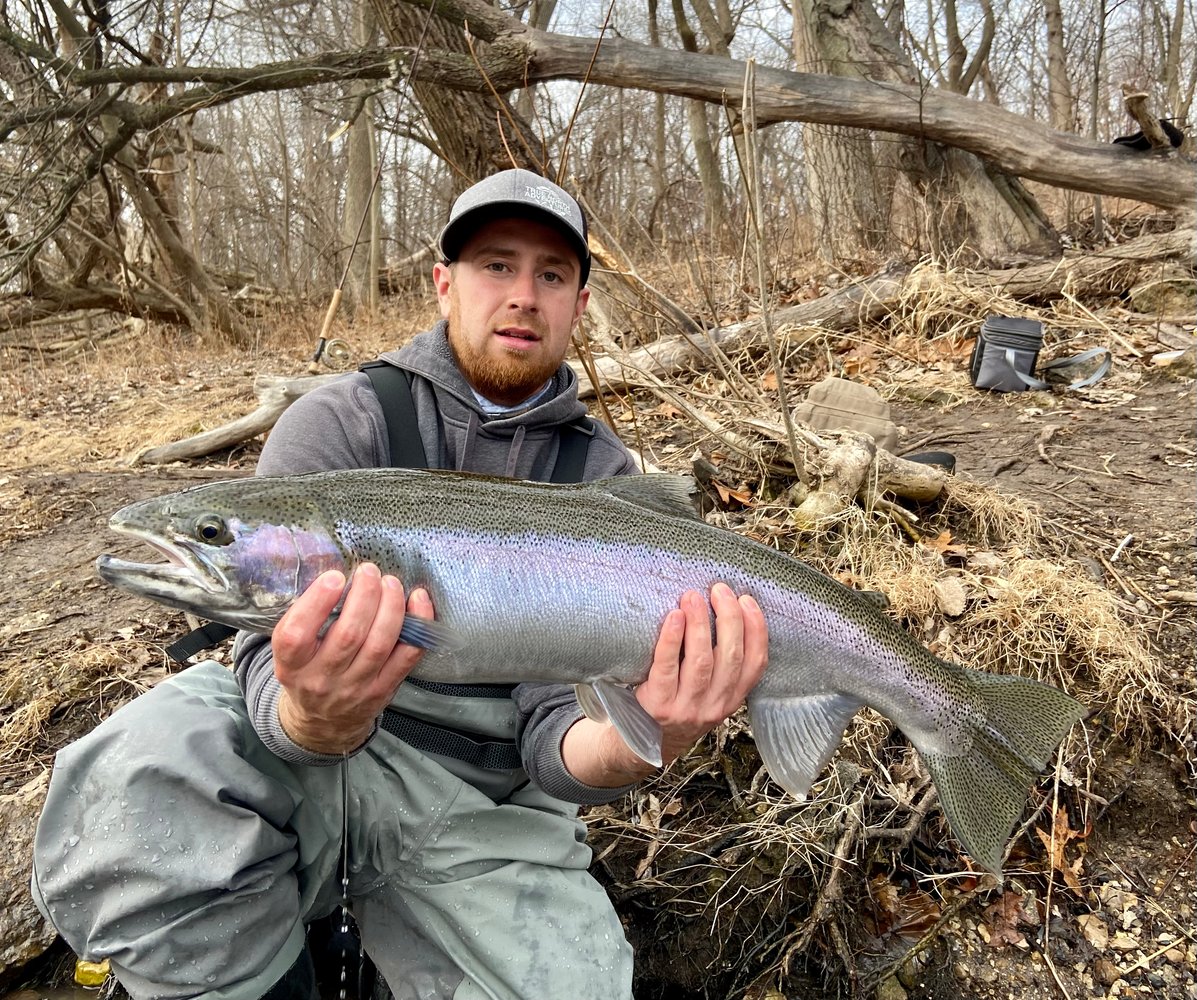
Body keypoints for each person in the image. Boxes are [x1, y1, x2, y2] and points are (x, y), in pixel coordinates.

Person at [31, 169, 769, 1000]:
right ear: (444, 284)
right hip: (302, 771)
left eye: (551, 274)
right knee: (149, 768)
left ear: (580, 302)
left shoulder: (603, 475)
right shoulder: (339, 420)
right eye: (497, 265)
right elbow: (258, 664)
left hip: (485, 811)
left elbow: (554, 733)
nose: (523, 295)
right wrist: (313, 713)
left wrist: (646, 741)